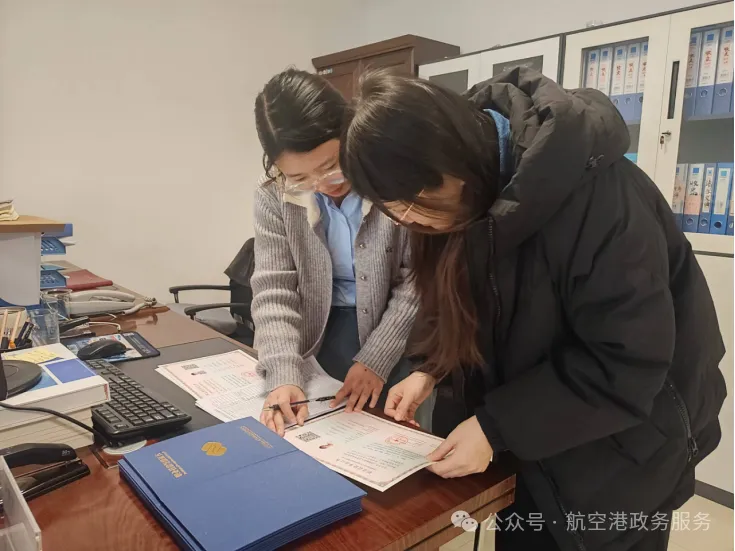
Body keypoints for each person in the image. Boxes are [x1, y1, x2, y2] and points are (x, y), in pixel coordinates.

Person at [339, 68, 726, 551]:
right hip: (537, 439)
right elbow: (457, 299)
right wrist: (430, 368)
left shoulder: (602, 199)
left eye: (413, 203)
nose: (406, 220)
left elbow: (626, 361)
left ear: (454, 161)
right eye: (391, 208)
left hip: (626, 446)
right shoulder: (464, 194)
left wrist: (495, 426)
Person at [252, 68, 428, 437]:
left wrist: (376, 359)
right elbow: (275, 290)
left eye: (331, 166)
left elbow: (417, 279)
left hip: (396, 326)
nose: (321, 186)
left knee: (394, 433)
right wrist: (283, 373)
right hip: (319, 330)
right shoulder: (273, 195)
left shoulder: (391, 179)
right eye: (299, 178)